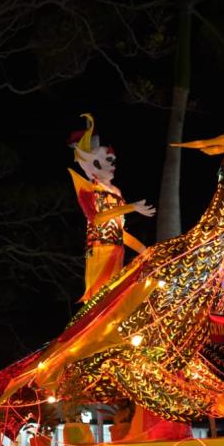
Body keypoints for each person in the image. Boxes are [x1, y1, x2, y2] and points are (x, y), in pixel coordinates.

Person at [67, 112, 155, 303]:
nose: (112, 164)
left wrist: (144, 251)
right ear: (93, 163)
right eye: (108, 160)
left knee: (114, 301)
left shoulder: (116, 193)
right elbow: (97, 219)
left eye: (113, 160)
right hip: (100, 252)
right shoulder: (90, 189)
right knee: (99, 302)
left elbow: (119, 232)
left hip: (117, 251)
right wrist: (130, 208)